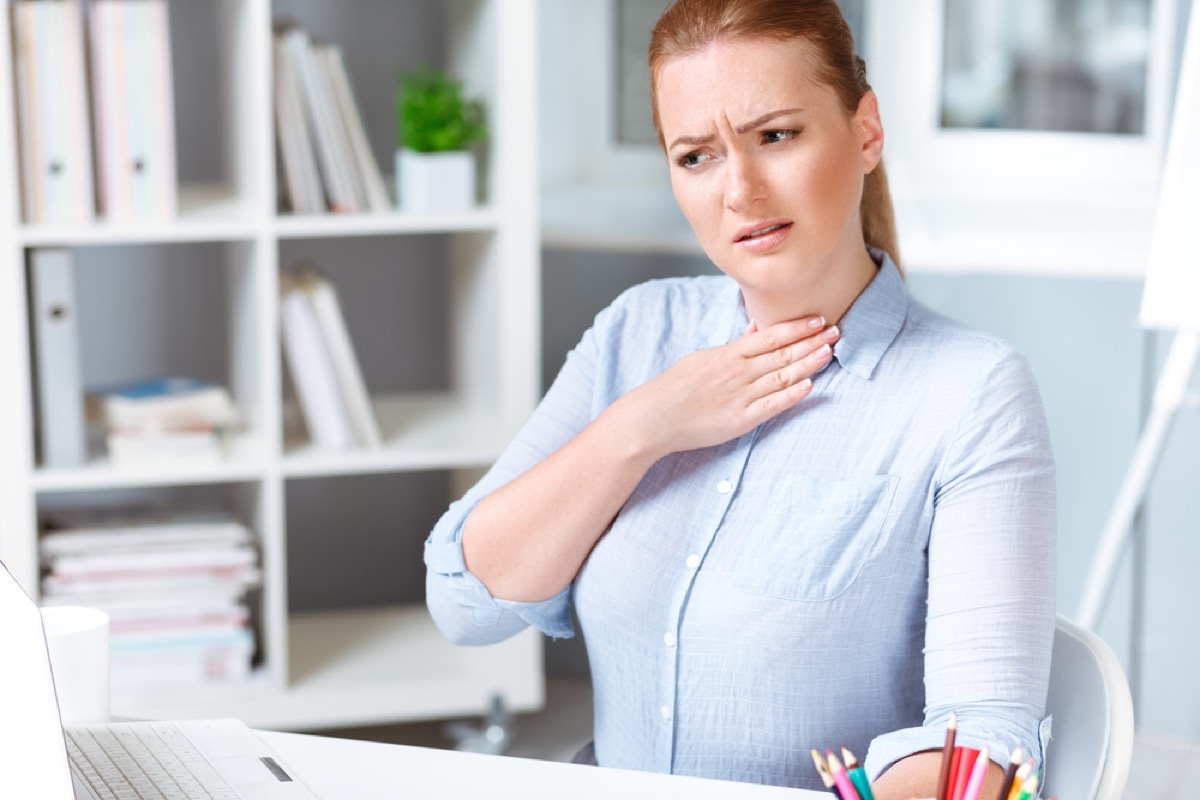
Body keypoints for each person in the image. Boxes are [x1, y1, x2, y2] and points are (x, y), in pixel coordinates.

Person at [424, 1, 1056, 797]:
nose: (740, 190)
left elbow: (984, 736)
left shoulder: (971, 393)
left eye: (777, 136)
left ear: (866, 132)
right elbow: (465, 604)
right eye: (696, 156)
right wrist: (643, 426)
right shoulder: (638, 331)